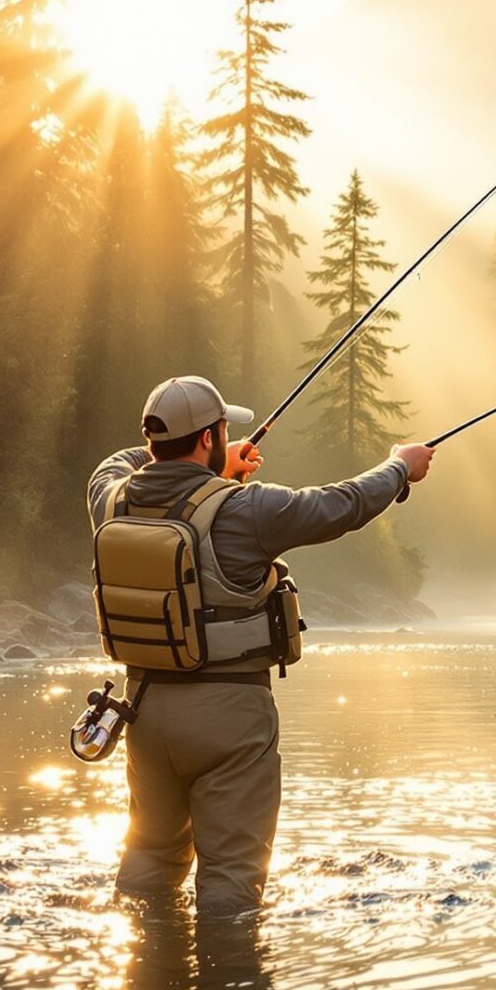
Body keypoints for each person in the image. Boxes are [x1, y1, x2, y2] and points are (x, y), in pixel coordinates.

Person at [86, 375, 433, 914]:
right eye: (221, 431)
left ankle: (144, 980)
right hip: (229, 716)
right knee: (230, 880)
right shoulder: (248, 511)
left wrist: (201, 463)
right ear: (208, 437)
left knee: (149, 864)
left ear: (155, 440)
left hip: (144, 712)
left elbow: (118, 460)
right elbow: (341, 505)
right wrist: (399, 466)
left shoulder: (111, 500)